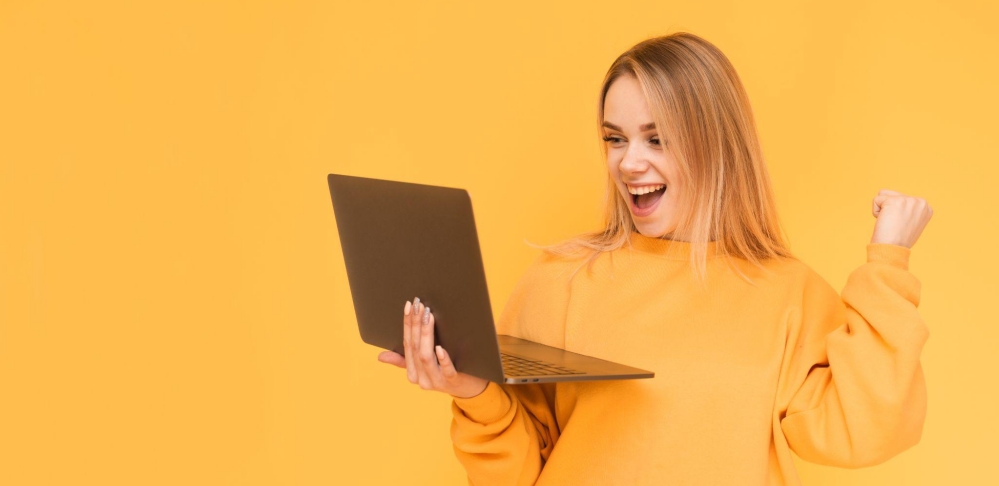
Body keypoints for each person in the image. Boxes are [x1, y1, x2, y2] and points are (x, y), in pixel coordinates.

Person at [376, 32, 933, 485]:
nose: (628, 163)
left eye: (657, 139)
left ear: (715, 144)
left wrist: (888, 263)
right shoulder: (559, 281)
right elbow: (519, 471)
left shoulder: (790, 296)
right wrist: (470, 391)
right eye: (615, 138)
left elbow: (867, 429)